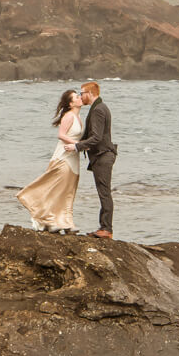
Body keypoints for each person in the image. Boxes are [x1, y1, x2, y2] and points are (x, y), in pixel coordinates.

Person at [16, 88, 84, 234]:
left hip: (74, 157)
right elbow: (61, 135)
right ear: (71, 104)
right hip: (63, 157)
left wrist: (81, 145)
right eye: (76, 97)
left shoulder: (78, 117)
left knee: (69, 191)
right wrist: (79, 144)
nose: (80, 97)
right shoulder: (69, 116)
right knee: (56, 189)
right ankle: (48, 220)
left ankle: (67, 222)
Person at [68, 80, 116, 239]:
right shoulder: (100, 107)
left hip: (103, 155)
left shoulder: (98, 110)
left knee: (104, 193)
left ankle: (106, 229)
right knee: (104, 192)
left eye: (82, 93)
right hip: (103, 155)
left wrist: (77, 146)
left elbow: (96, 137)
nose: (81, 96)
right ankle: (104, 227)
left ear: (90, 93)